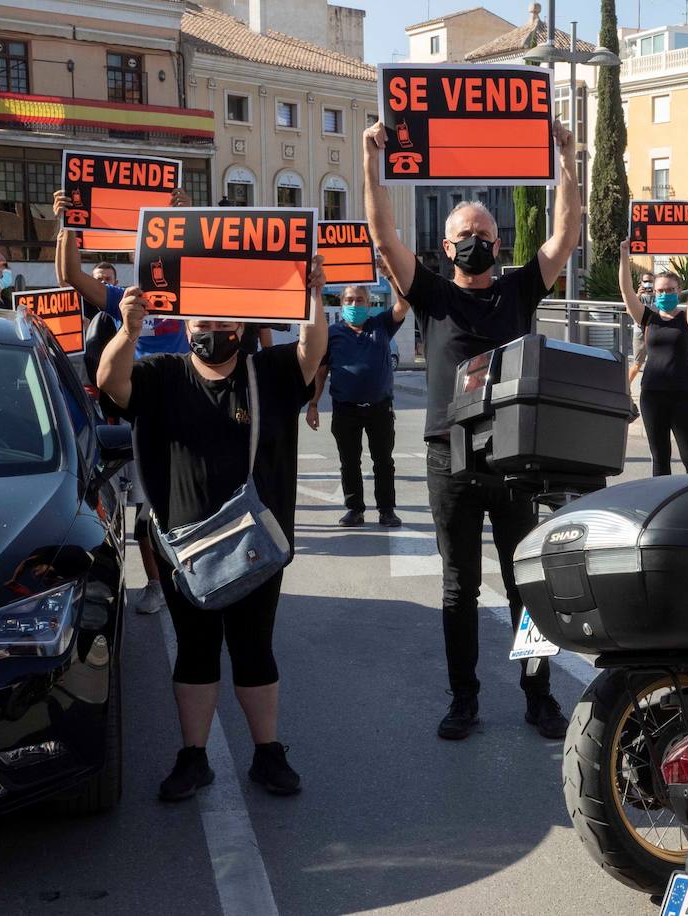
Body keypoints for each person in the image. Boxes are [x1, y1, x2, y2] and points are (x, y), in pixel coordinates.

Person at [364, 117, 580, 741]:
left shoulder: (518, 291)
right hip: (450, 460)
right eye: (465, 234)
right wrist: (371, 160)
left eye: (484, 232)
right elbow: (383, 236)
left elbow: (565, 236)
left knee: (526, 585)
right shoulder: (431, 294)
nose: (475, 240)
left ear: (498, 242)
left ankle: (538, 695)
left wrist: (568, 157)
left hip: (514, 459)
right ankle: (465, 699)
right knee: (459, 586)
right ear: (446, 245)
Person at [95, 258, 327, 801]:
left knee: (254, 650)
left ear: (241, 328)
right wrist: (129, 330)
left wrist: (315, 299)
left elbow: (310, 354)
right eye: (202, 324)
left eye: (224, 324)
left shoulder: (265, 373)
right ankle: (192, 757)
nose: (212, 333)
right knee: (195, 653)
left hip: (254, 548)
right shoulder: (161, 376)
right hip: (185, 552)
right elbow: (109, 380)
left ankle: (268, 754)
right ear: (185, 326)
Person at [55, 189, 191, 615]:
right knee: (139, 514)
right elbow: (71, 275)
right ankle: (152, 584)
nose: (160, 264)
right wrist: (68, 223)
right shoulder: (125, 298)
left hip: (181, 410)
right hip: (133, 411)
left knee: (176, 508)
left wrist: (188, 222)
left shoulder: (193, 292)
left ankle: (181, 579)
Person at [307, 283, 409, 528]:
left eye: (360, 300)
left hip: (379, 408)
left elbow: (403, 304)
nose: (355, 304)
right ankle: (354, 510)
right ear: (342, 304)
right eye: (350, 300)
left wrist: (391, 276)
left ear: (369, 303)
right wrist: (313, 404)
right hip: (345, 409)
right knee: (349, 462)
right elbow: (320, 373)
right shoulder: (332, 334)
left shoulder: (382, 324)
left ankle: (387, 510)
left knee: (383, 461)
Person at [618, 243, 688, 476]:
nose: (665, 294)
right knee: (660, 459)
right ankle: (662, 508)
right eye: (660, 291)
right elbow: (626, 292)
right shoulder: (649, 318)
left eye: (670, 290)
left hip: (684, 395)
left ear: (679, 290)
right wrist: (625, 255)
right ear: (653, 293)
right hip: (653, 395)